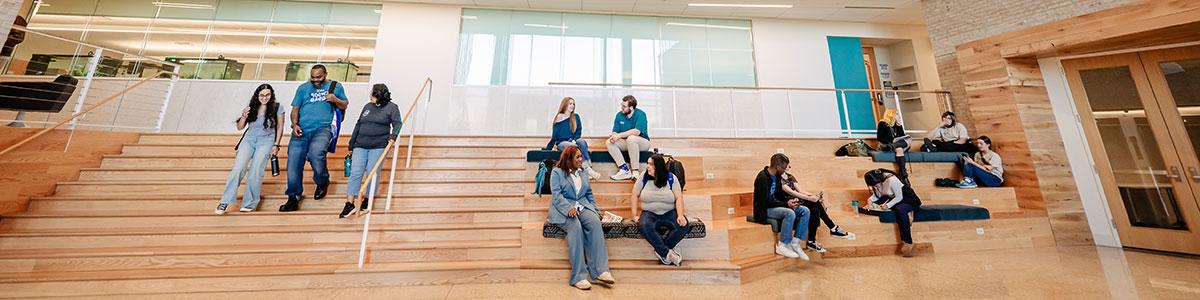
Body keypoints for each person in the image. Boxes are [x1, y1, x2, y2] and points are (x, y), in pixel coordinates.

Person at [281, 64, 348, 212]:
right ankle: (293, 197)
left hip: (323, 129)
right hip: (302, 130)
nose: (315, 80)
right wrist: (294, 124)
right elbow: (295, 109)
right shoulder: (303, 88)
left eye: (319, 77)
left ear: (325, 74)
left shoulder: (335, 86)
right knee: (293, 161)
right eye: (312, 77)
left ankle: (322, 181)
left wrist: (335, 99)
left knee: (316, 154)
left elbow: (344, 105)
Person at [547, 146, 615, 290]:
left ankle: (600, 271)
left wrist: (596, 210)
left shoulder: (583, 172)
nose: (580, 160)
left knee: (595, 223)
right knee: (575, 226)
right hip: (562, 209)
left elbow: (589, 194)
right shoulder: (557, 173)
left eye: (581, 156)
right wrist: (568, 208)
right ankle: (578, 276)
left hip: (582, 206)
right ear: (569, 159)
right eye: (577, 157)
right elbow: (557, 196)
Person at [215, 84, 284, 214]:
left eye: (267, 95)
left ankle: (249, 203)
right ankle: (225, 201)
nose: (265, 98)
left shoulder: (277, 107)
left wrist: (276, 145)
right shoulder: (251, 107)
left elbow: (280, 127)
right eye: (262, 95)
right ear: (257, 96)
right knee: (238, 169)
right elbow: (240, 127)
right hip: (249, 139)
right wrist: (243, 116)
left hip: (266, 140)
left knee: (256, 171)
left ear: (271, 95)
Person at [340, 84, 402, 218]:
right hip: (360, 144)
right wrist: (351, 144)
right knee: (356, 172)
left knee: (372, 172)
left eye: (373, 94)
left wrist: (393, 137)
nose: (370, 97)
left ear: (380, 96)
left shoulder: (392, 108)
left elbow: (398, 123)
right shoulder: (368, 106)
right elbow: (359, 124)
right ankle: (349, 203)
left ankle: (368, 199)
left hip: (378, 146)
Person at [631, 154, 690, 266]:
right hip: (649, 213)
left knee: (684, 226)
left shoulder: (671, 178)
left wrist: (680, 215)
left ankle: (661, 251)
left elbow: (678, 197)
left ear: (658, 166)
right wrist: (634, 215)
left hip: (669, 212)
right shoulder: (643, 177)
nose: (648, 166)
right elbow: (634, 195)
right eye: (647, 163)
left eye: (651, 164)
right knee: (644, 225)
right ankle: (668, 253)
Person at [779, 167, 855, 254]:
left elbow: (801, 191)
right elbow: (794, 193)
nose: (789, 167)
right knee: (814, 204)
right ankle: (831, 229)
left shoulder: (790, 176)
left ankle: (814, 240)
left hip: (798, 200)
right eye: (788, 165)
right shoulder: (779, 179)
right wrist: (812, 199)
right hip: (789, 204)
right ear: (782, 166)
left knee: (815, 208)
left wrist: (814, 196)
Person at [751, 153, 811, 260]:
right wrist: (786, 205)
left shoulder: (777, 176)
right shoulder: (762, 178)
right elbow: (765, 202)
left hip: (776, 206)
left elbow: (779, 196)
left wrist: (790, 201)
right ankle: (783, 245)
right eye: (784, 167)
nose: (785, 170)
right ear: (777, 166)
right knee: (789, 213)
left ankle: (795, 243)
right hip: (764, 209)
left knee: (804, 211)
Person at [862, 169, 922, 257]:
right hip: (893, 198)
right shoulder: (877, 184)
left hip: (907, 198)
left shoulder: (892, 180)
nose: (875, 187)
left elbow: (899, 197)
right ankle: (908, 212)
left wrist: (888, 205)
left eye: (875, 185)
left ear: (879, 180)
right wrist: (869, 202)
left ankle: (908, 242)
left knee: (900, 209)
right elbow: (877, 195)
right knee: (879, 203)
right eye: (873, 186)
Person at [546, 97, 602, 179]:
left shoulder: (576, 117)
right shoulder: (559, 117)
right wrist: (548, 149)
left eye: (573, 104)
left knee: (582, 141)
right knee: (574, 148)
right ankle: (588, 170)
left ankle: (587, 168)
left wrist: (574, 140)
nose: (572, 105)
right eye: (570, 104)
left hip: (573, 140)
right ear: (564, 105)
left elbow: (578, 131)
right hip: (562, 142)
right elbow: (555, 136)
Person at [606, 95, 650, 181]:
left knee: (631, 138)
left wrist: (619, 135)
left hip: (643, 143)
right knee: (609, 142)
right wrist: (614, 136)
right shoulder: (619, 115)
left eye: (624, 106)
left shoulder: (641, 114)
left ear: (631, 107)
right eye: (621, 105)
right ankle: (624, 170)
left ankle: (635, 171)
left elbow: (637, 131)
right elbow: (615, 131)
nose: (621, 108)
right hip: (627, 142)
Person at [877, 108, 911, 182]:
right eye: (896, 113)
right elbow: (879, 138)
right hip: (887, 145)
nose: (898, 115)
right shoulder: (882, 124)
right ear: (891, 114)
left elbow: (902, 136)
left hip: (895, 145)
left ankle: (893, 145)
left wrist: (899, 124)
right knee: (899, 149)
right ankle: (903, 173)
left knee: (907, 140)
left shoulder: (896, 125)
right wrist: (891, 141)